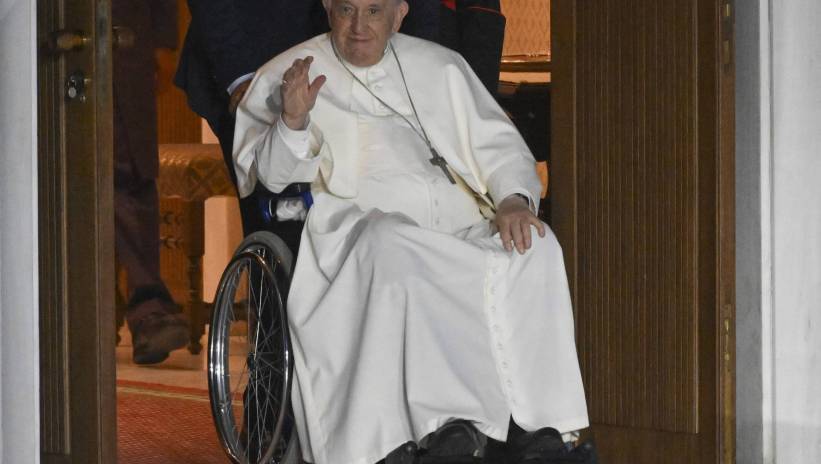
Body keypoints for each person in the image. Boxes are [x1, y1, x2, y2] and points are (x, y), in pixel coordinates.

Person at [232, 0, 596, 462]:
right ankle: (444, 427)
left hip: (461, 226)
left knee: (534, 247)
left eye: (374, 11)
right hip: (357, 233)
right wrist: (292, 122)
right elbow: (268, 179)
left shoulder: (442, 66)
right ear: (327, 8)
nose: (359, 26)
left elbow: (501, 147)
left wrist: (512, 200)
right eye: (346, 10)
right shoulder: (288, 73)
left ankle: (541, 429)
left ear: (400, 14)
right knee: (395, 244)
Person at [175, 0, 441, 256]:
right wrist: (241, 77)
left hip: (358, 50)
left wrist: (423, 56)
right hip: (254, 61)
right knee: (278, 219)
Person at [112, 0, 191, 364]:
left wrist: (162, 41)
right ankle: (146, 310)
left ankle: (149, 312)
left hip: (126, 42)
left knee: (133, 174)